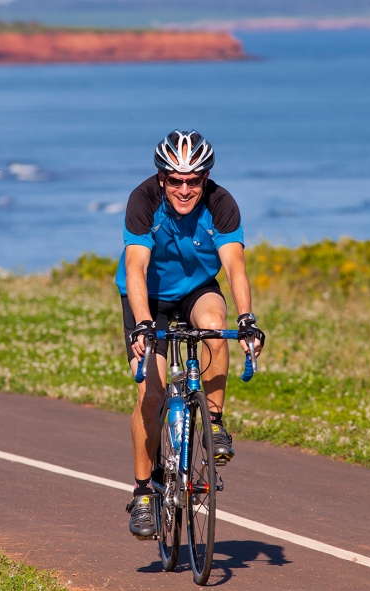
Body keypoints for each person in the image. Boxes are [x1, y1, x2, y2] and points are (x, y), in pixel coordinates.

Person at [117, 130, 265, 538]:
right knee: (152, 391)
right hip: (148, 297)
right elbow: (136, 267)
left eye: (194, 180)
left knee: (216, 326)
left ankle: (214, 420)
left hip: (197, 288)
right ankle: (144, 493)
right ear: (162, 178)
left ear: (205, 179)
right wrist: (144, 324)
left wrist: (247, 317)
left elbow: (235, 266)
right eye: (176, 180)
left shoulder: (221, 204)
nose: (185, 189)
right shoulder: (142, 200)